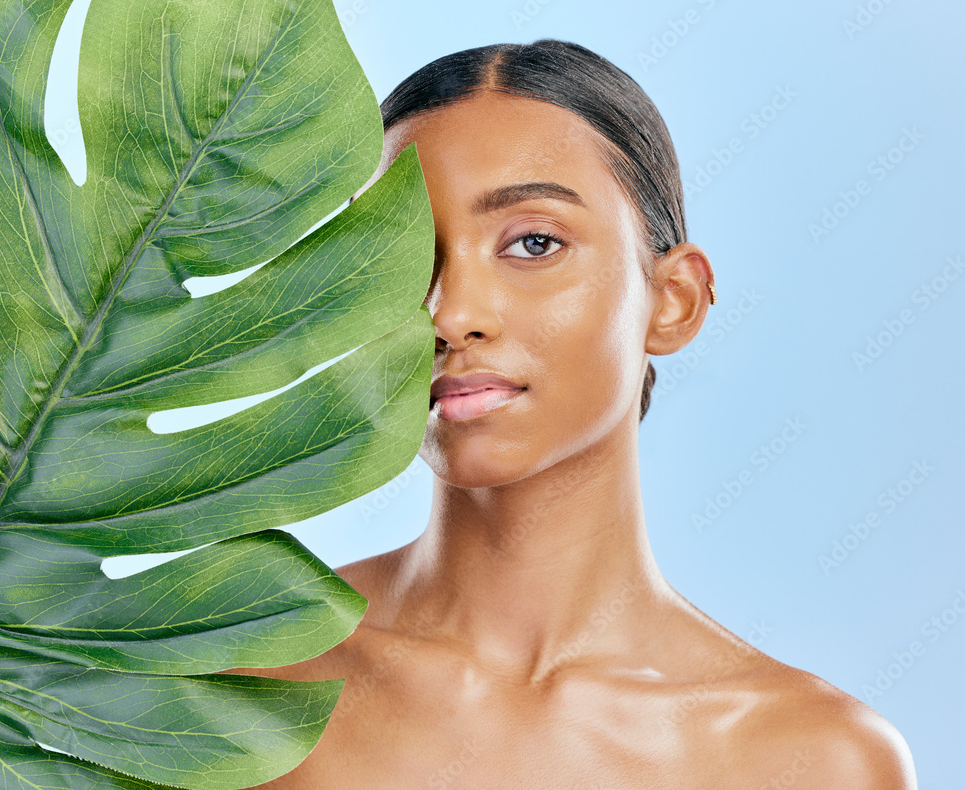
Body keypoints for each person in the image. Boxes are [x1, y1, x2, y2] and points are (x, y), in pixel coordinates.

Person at [238, 39, 917, 789]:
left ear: (673, 300)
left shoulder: (816, 760)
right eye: (405, 257)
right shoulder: (239, 678)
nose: (452, 312)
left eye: (534, 242)